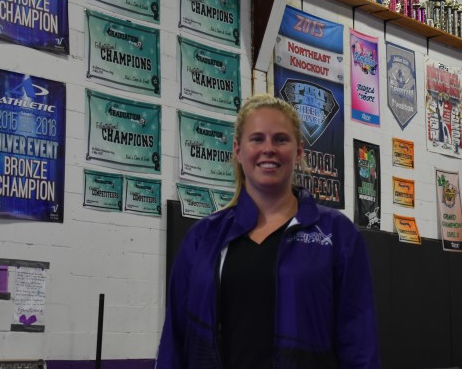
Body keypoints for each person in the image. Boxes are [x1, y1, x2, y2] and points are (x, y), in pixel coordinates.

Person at [157, 93, 380, 368]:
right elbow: (174, 340)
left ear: (298, 151)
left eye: (281, 139)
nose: (269, 148)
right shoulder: (202, 239)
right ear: (238, 150)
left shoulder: (338, 234)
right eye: (257, 138)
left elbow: (359, 343)